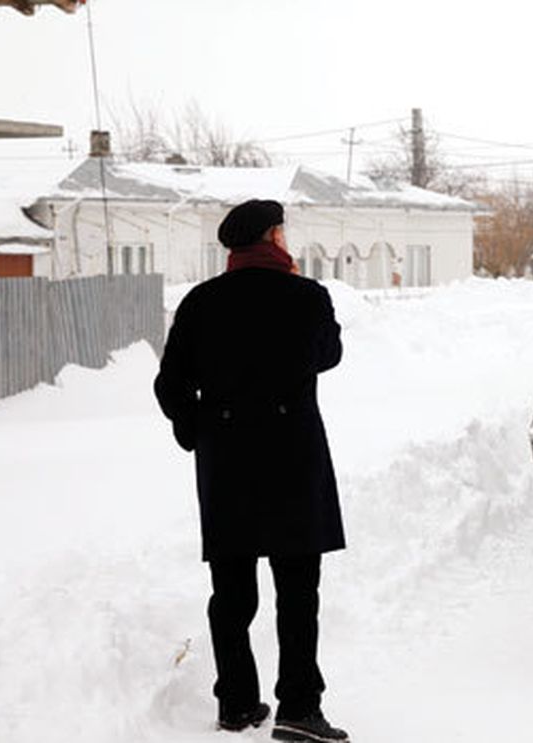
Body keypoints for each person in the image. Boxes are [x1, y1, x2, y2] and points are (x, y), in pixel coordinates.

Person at [154, 199, 350, 743]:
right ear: (272, 236)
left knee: (232, 593)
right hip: (293, 457)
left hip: (228, 463)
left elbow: (170, 386)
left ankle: (237, 703)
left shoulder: (201, 302)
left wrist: (199, 431)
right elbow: (328, 355)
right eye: (282, 231)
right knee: (297, 591)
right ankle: (299, 710)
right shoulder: (306, 296)